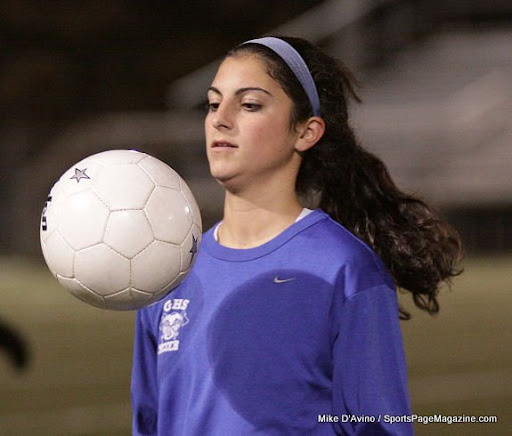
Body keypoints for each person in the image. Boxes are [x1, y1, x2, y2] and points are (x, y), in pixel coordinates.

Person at [131, 36, 462, 435]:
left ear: (306, 132)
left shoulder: (344, 269)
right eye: (213, 103)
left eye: (249, 104)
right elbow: (148, 422)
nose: (220, 118)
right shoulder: (169, 268)